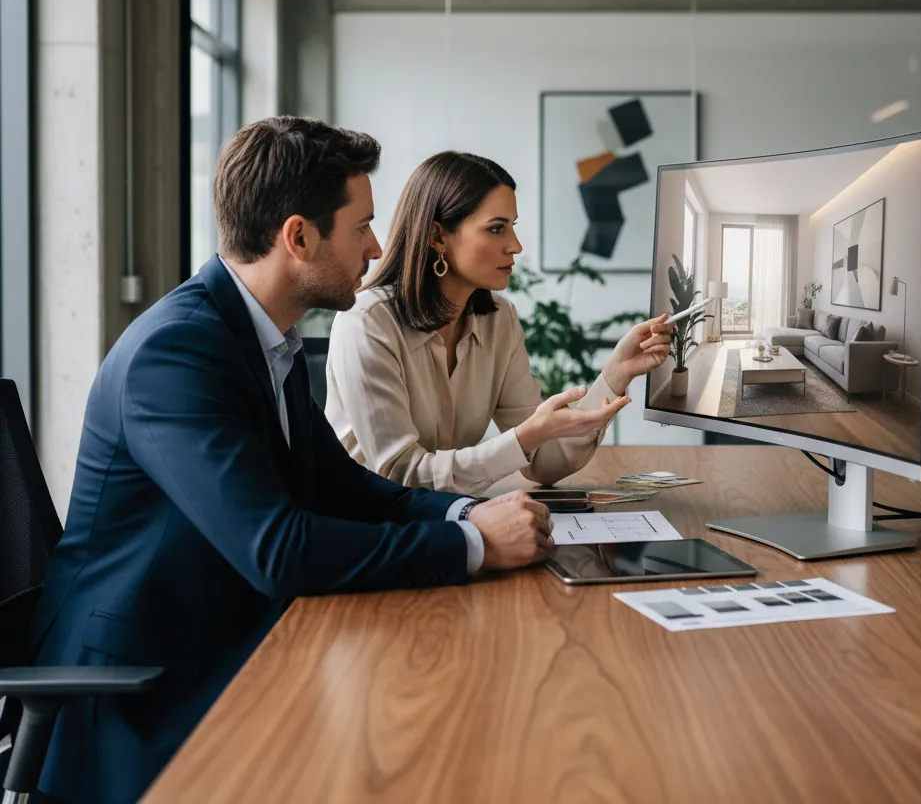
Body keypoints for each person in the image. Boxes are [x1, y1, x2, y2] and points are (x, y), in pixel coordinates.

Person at [28, 118, 551, 804]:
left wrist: (469, 511)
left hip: (228, 634)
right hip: (141, 687)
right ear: (298, 237)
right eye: (361, 226)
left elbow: (348, 489)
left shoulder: (258, 340)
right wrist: (472, 545)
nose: (375, 247)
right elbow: (277, 548)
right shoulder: (177, 354)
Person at [325, 151, 672, 495]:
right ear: (438, 237)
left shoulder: (499, 320)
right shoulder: (367, 322)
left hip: (446, 522)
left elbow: (547, 462)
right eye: (496, 229)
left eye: (512, 227)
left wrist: (615, 374)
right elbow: (401, 476)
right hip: (368, 531)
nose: (516, 246)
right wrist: (525, 437)